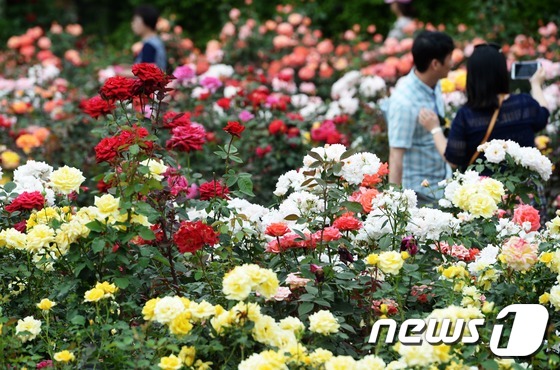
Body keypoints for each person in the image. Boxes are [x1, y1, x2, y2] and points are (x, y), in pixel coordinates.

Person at [418, 43, 549, 171]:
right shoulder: (523, 104)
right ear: (502, 72)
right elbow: (543, 116)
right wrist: (536, 85)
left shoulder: (466, 116)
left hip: (484, 191)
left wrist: (434, 128)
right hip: (522, 190)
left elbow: (453, 160)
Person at [386, 30, 455, 205]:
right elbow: (396, 155)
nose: (452, 63)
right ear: (435, 64)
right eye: (449, 58)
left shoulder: (433, 83)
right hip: (420, 194)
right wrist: (394, 204)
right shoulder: (405, 101)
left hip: (442, 185)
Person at [131, 5, 167, 71]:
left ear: (145, 22)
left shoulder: (149, 46)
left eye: (135, 21)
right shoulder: (156, 42)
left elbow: (146, 74)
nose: (133, 24)